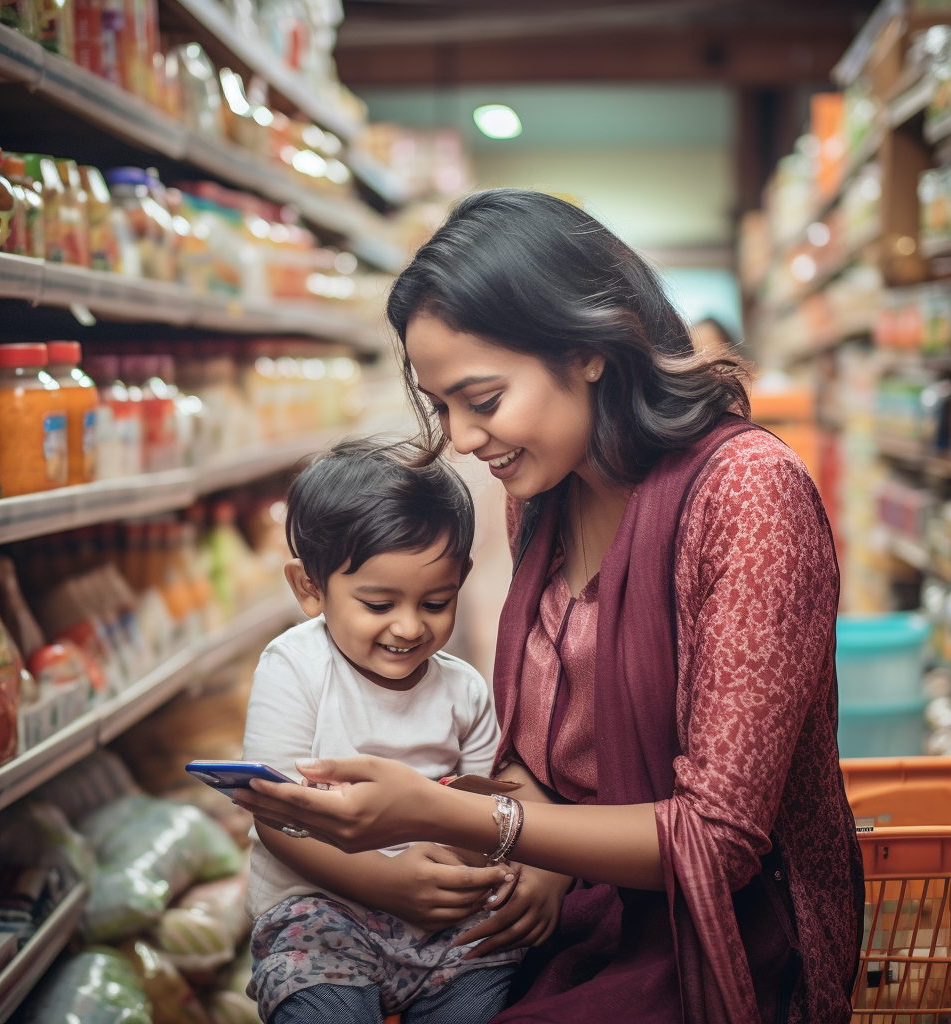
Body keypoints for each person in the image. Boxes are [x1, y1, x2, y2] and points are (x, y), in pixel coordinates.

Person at [233, 190, 865, 1024]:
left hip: (721, 940)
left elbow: (718, 840)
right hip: (569, 910)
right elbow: (543, 758)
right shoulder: (543, 496)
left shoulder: (748, 497)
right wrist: (500, 844)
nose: (459, 439)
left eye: (483, 399)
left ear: (589, 349)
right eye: (442, 407)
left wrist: (456, 815)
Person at [241, 438, 529, 1024]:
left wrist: (465, 867)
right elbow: (275, 817)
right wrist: (388, 883)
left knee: (499, 969)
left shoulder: (464, 690)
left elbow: (481, 807)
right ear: (310, 588)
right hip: (320, 913)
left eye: (436, 602)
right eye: (377, 604)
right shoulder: (294, 667)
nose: (408, 626)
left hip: (442, 921)